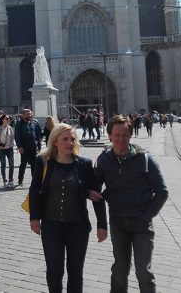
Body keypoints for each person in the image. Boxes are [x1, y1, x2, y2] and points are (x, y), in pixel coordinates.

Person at [92, 114, 168, 293]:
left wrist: (146, 217)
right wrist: (101, 223)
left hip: (141, 225)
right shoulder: (103, 160)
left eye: (125, 135)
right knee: (120, 269)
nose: (121, 139)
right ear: (110, 136)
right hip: (118, 223)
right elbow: (95, 193)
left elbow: (162, 191)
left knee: (143, 272)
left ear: (131, 135)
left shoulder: (145, 159)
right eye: (117, 135)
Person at [29, 123, 107, 293]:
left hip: (78, 228)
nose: (70, 143)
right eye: (65, 139)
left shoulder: (84, 164)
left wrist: (102, 225)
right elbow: (34, 190)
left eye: (72, 139)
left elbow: (96, 196)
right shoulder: (43, 162)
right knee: (54, 272)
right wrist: (34, 217)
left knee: (76, 272)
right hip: (51, 226)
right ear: (55, 141)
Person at [14, 108, 42, 187]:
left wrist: (39, 146)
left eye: (30, 114)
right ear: (23, 115)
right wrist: (19, 146)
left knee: (34, 165)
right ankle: (20, 180)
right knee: (23, 164)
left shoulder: (34, 123)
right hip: (24, 148)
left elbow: (38, 135)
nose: (29, 115)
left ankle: (34, 181)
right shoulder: (19, 124)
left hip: (33, 148)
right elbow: (17, 136)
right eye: (27, 114)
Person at [0, 114, 15, 188]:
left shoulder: (10, 128)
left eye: (9, 118)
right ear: (2, 120)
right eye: (6, 118)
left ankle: (11, 181)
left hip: (10, 149)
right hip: (2, 150)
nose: (8, 120)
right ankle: (4, 181)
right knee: (3, 165)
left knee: (11, 165)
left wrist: (12, 145)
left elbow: (12, 138)